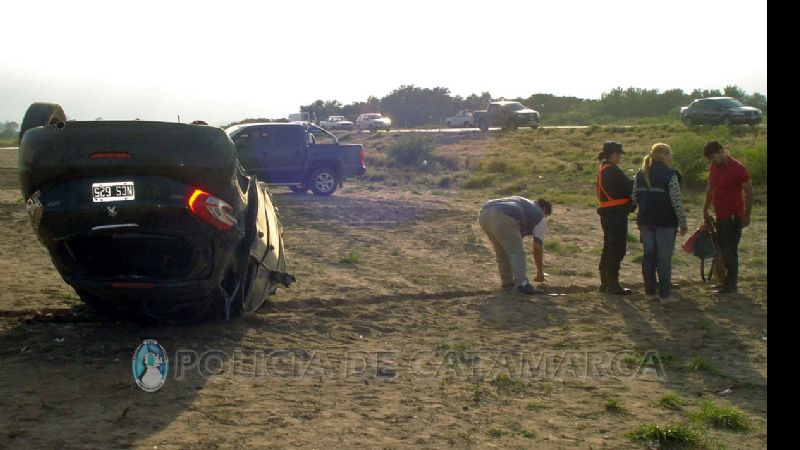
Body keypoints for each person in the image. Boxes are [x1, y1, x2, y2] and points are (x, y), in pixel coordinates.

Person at [633, 143, 688, 304]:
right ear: (664, 155)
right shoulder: (671, 175)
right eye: (669, 154)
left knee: (648, 256)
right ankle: (665, 295)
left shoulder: (640, 173)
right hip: (665, 222)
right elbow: (676, 201)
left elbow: (634, 196)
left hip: (645, 221)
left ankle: (649, 293)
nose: (670, 157)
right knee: (664, 259)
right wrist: (683, 222)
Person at [702, 140, 753, 294]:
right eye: (709, 158)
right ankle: (726, 282)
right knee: (723, 250)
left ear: (720, 152)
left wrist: (746, 215)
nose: (711, 160)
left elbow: (749, 192)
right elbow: (711, 188)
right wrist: (705, 209)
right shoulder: (714, 168)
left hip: (733, 216)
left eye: (712, 157)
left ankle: (731, 284)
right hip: (720, 215)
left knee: (729, 250)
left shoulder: (738, 168)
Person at [478, 196, 552, 295]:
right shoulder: (539, 215)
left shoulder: (524, 202)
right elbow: (537, 248)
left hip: (484, 213)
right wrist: (539, 271)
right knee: (516, 252)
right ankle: (523, 284)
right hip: (503, 216)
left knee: (501, 251)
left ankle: (507, 283)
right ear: (544, 210)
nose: (545, 218)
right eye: (546, 215)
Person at [596, 141, 635, 295]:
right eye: (618, 154)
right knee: (618, 249)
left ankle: (605, 283)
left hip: (608, 213)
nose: (620, 157)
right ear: (612, 154)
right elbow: (630, 186)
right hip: (616, 214)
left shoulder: (603, 169)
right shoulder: (613, 171)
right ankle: (613, 284)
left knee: (608, 247)